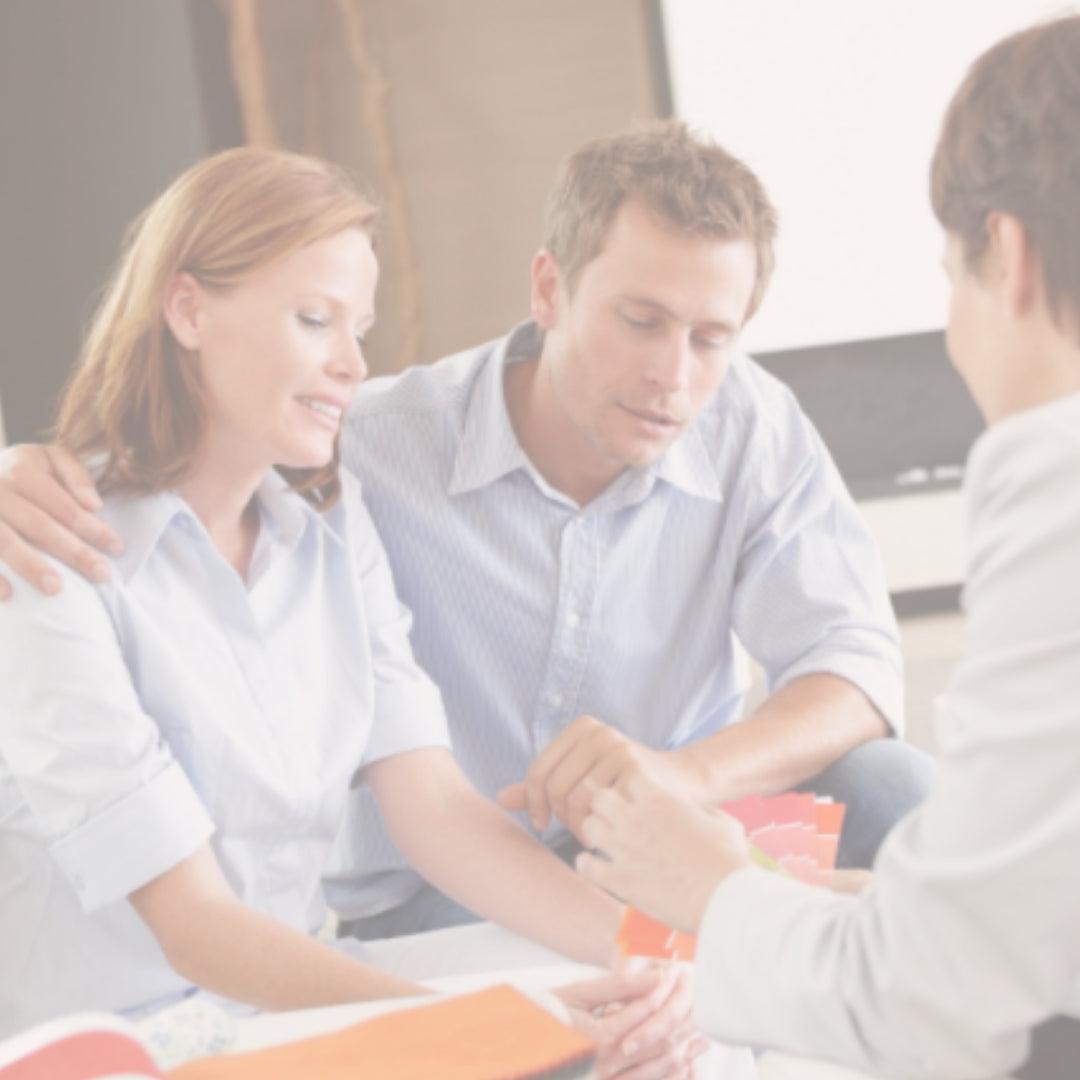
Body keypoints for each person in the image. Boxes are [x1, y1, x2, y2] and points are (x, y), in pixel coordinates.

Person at [0, 123, 934, 941]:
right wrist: (15, 470)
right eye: (640, 321)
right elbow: (195, 434)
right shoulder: (353, 449)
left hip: (676, 835)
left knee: (893, 791)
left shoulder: (752, 428)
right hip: (441, 890)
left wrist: (684, 777)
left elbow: (854, 663)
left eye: (710, 338)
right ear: (549, 288)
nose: (673, 376)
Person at [0, 147, 708, 1080]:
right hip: (126, 1043)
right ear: (187, 309)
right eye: (312, 319)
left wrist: (657, 955)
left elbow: (438, 811)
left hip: (279, 1011)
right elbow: (194, 929)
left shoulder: (332, 526)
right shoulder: (51, 548)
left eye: (359, 327)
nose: (351, 364)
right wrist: (490, 1034)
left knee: (657, 1018)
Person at [572, 14, 1080, 1079]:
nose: (676, 372)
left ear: (1009, 257)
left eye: (952, 278)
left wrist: (713, 881)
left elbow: (939, 996)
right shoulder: (386, 444)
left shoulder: (1057, 496)